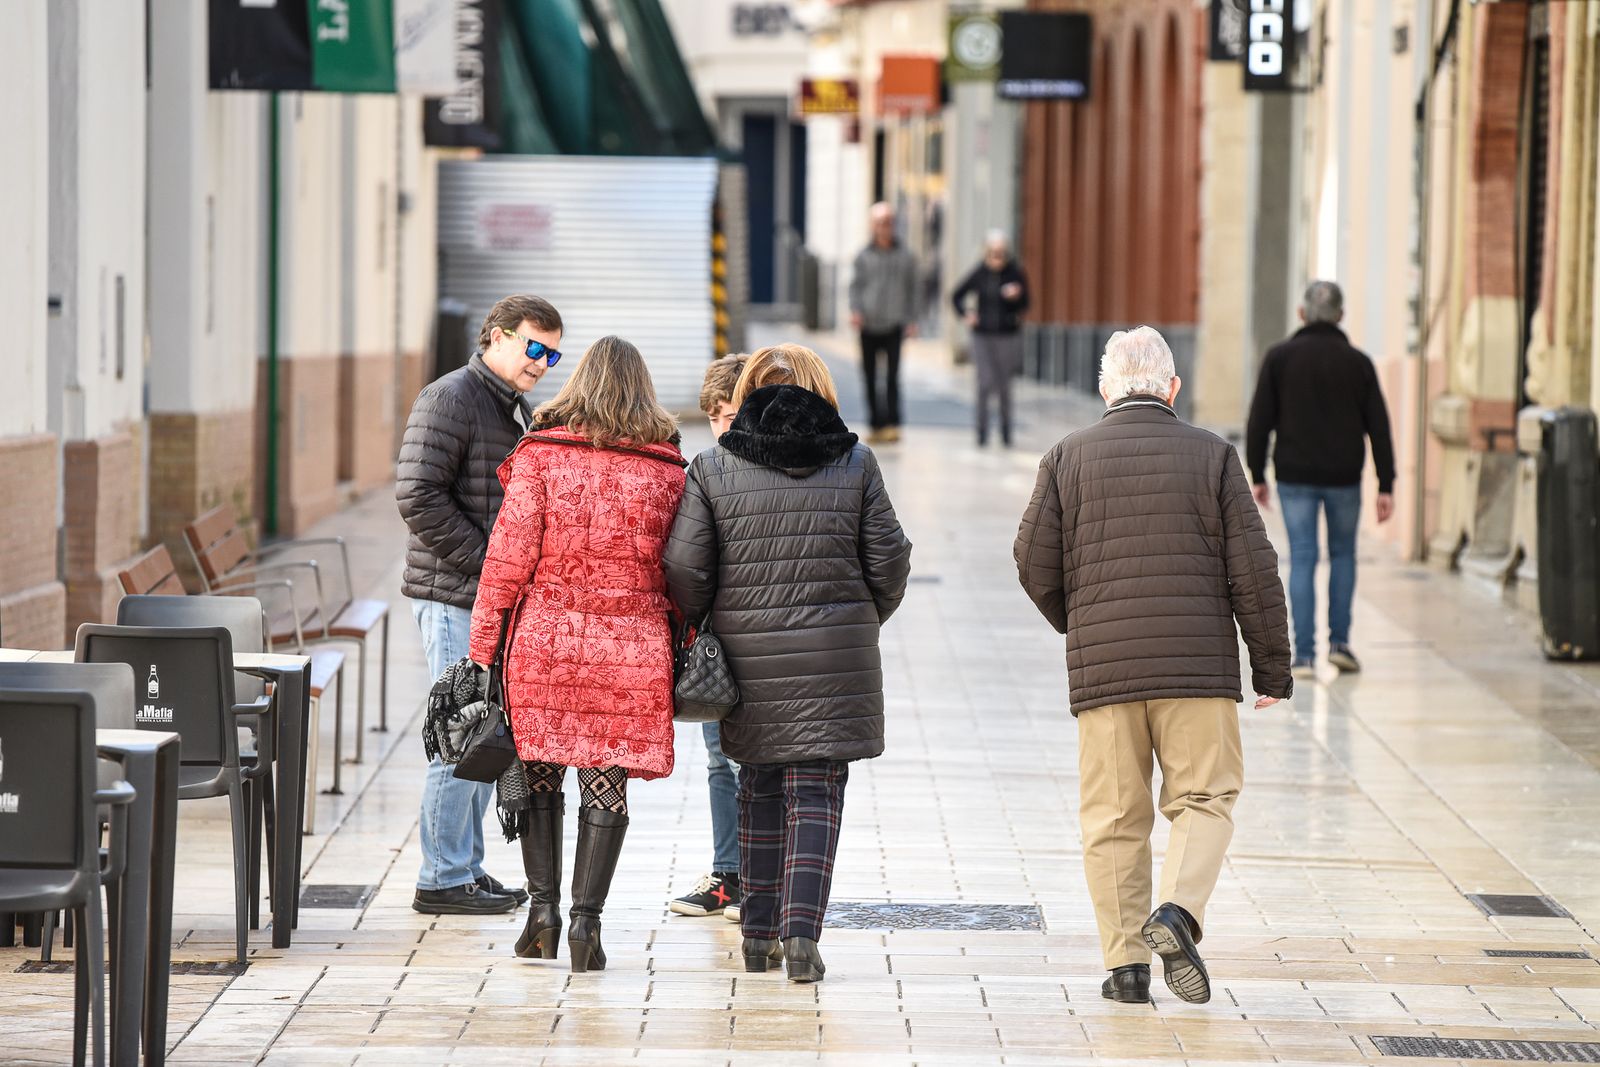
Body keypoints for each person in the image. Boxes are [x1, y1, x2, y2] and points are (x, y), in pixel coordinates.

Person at [1013, 326, 1292, 1006]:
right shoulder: (1214, 456)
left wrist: (1082, 624)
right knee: (1205, 797)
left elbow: (1031, 562)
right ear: (1172, 387)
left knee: (1113, 817)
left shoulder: (1066, 457)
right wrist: (1271, 668)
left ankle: (1126, 969)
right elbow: (1255, 570)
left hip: (1106, 675)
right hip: (1196, 670)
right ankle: (1177, 910)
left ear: (1104, 388)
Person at [664, 344, 912, 983]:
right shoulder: (855, 463)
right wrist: (857, 619)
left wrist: (713, 624)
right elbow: (889, 563)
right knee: (817, 793)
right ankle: (801, 937)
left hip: (747, 659)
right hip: (834, 659)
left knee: (759, 787)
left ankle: (756, 937)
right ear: (823, 392)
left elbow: (685, 568)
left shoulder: (715, 467)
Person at [467, 335, 687, 973]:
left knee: (540, 769)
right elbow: (685, 569)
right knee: (605, 776)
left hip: (546, 642)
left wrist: (483, 645)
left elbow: (506, 562)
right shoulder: (669, 471)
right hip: (631, 647)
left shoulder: (540, 457)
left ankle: (543, 913)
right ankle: (587, 925)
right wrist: (680, 635)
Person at [397, 293, 563, 916]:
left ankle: (463, 867)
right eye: (534, 347)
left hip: (481, 596)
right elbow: (418, 496)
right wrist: (493, 563)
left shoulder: (506, 404)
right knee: (461, 731)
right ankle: (441, 877)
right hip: (453, 595)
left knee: (482, 730)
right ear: (496, 337)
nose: (542, 362)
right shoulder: (450, 398)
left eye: (552, 354)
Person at [1246, 280, 1396, 677]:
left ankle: (1305, 655)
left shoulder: (1279, 358)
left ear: (1301, 313)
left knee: (1303, 557)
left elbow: (1259, 421)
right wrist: (1386, 483)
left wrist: (1258, 473)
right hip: (1345, 477)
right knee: (1343, 554)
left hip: (1294, 475)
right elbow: (1379, 427)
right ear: (1341, 316)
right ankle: (1340, 644)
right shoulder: (1358, 363)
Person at [668, 353, 749, 923]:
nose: (723, 426)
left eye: (733, 414)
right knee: (720, 759)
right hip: (717, 642)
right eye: (715, 416)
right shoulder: (706, 469)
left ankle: (763, 881)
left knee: (758, 765)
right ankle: (729, 876)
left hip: (761, 639)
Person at [848, 202, 919, 444]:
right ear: (872, 225)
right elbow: (855, 287)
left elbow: (913, 289)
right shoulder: (863, 256)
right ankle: (875, 424)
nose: (884, 227)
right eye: (879, 223)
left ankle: (892, 423)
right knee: (869, 376)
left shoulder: (906, 256)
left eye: (888, 222)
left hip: (894, 324)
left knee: (892, 377)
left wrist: (912, 319)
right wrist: (855, 311)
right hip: (868, 324)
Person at [951, 230, 1030, 447]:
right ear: (986, 253)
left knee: (1004, 385)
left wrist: (1017, 297)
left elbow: (1026, 303)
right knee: (984, 382)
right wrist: (967, 314)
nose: (998, 258)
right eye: (994, 253)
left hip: (1007, 334)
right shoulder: (980, 273)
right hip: (982, 335)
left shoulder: (1014, 273)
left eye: (1001, 253)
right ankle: (981, 432)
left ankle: (1005, 432)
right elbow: (956, 295)